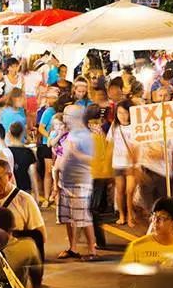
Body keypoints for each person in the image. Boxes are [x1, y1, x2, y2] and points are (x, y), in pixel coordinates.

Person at [53, 105, 97, 261]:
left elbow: (92, 160)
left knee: (83, 217)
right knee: (68, 217)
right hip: (66, 182)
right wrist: (56, 182)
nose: (64, 118)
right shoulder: (69, 134)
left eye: (67, 115)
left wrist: (76, 153)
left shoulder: (86, 136)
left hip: (80, 182)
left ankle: (92, 249)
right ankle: (73, 247)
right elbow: (59, 156)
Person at [86, 104, 112, 249]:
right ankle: (95, 239)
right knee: (93, 208)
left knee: (92, 209)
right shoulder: (101, 131)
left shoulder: (91, 133)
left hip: (93, 174)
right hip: (101, 173)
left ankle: (98, 240)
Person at [110, 101, 139, 227]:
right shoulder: (114, 126)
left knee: (130, 191)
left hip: (131, 164)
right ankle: (122, 215)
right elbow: (109, 144)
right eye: (119, 113)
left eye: (125, 113)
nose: (122, 115)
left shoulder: (136, 126)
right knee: (120, 191)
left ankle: (130, 215)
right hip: (117, 163)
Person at [37, 87, 61, 207]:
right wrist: (50, 138)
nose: (52, 100)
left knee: (57, 172)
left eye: (55, 98)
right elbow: (41, 127)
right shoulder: (48, 112)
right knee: (48, 171)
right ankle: (46, 197)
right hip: (48, 144)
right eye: (50, 97)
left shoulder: (61, 112)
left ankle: (55, 196)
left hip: (60, 144)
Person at [7, 122, 39, 194]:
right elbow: (33, 174)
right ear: (22, 134)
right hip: (25, 188)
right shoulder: (28, 152)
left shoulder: (6, 151)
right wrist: (36, 194)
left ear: (9, 134)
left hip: (10, 188)